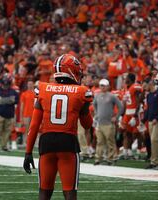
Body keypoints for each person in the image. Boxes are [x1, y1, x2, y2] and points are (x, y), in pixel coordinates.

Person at [23, 54, 93, 200]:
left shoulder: (42, 88)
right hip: (67, 142)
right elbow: (87, 125)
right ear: (72, 71)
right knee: (69, 192)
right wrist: (84, 109)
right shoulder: (81, 92)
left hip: (46, 142)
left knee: (44, 192)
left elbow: (34, 125)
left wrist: (28, 152)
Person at [93, 78, 123, 165]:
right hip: (100, 122)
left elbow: (120, 106)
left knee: (110, 141)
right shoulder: (97, 95)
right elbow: (94, 105)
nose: (102, 87)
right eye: (101, 85)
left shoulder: (112, 96)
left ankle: (112, 158)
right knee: (100, 141)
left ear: (108, 86)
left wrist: (116, 117)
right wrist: (96, 114)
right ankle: (98, 158)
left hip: (109, 123)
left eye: (104, 85)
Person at [0, 74, 19, 152]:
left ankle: (4, 146)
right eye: (4, 83)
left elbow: (17, 100)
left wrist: (9, 100)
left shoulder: (13, 91)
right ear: (2, 83)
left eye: (7, 83)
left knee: (7, 130)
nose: (5, 85)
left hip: (9, 113)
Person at [142, 76, 158, 169]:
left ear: (150, 84)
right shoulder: (149, 95)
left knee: (154, 140)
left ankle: (154, 161)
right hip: (151, 121)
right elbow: (148, 109)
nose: (144, 88)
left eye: (145, 86)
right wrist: (144, 120)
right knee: (156, 141)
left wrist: (157, 117)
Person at [19, 80, 35, 147]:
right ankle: (25, 142)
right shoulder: (24, 94)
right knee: (26, 129)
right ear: (27, 85)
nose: (30, 85)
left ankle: (32, 142)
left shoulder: (36, 94)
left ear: (33, 85)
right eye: (29, 84)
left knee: (33, 129)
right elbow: (22, 106)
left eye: (31, 84)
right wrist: (21, 116)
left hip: (34, 114)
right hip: (26, 114)